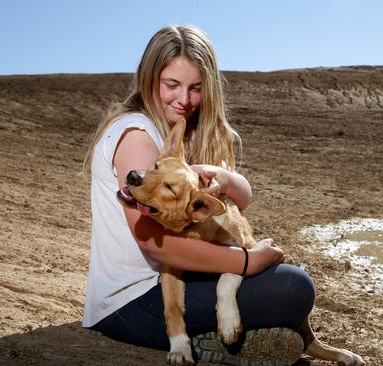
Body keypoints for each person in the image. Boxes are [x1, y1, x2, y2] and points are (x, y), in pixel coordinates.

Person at [81, 25, 315, 365]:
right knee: (293, 288)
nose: (185, 100)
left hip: (185, 281)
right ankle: (217, 341)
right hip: (134, 302)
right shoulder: (137, 134)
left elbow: (240, 202)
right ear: (149, 78)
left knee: (288, 286)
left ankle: (229, 337)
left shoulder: (182, 135)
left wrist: (224, 178)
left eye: (196, 88)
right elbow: (151, 240)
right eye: (172, 85)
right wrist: (246, 262)